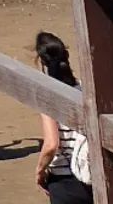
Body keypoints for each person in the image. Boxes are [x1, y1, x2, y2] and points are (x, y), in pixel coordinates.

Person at [34, 32, 92, 202]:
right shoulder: (82, 89)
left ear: (43, 64)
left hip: (63, 179)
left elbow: (52, 144)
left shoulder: (48, 95)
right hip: (87, 173)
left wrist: (40, 170)